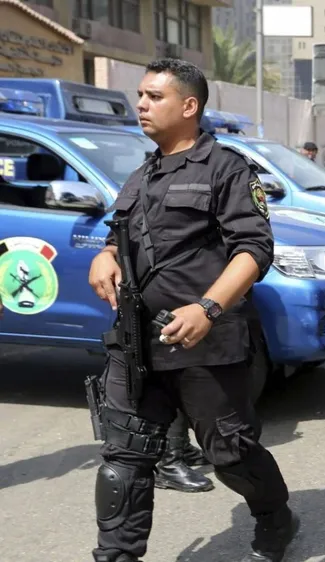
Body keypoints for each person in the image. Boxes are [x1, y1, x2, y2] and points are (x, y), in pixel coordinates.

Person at [87, 58, 298, 562]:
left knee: (230, 453)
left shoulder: (226, 166)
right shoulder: (140, 176)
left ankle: (274, 516)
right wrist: (105, 255)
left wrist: (208, 307)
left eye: (153, 96)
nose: (140, 104)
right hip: (136, 342)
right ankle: (117, 554)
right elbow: (124, 240)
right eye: (140, 95)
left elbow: (254, 248)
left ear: (189, 105)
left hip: (206, 342)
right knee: (123, 458)